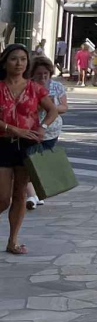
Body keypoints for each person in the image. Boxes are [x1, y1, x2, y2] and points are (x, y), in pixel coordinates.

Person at [0, 44, 59, 255]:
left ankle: (13, 241)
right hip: (2, 144)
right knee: (2, 198)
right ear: (5, 62)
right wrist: (13, 128)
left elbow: (52, 110)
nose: (19, 63)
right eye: (14, 59)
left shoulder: (35, 88)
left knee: (20, 195)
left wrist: (42, 128)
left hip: (27, 146)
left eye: (23, 60)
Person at [23, 57, 66, 211]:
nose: (43, 77)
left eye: (46, 74)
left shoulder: (57, 87)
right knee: (28, 161)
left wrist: (49, 106)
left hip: (51, 130)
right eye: (39, 74)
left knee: (41, 162)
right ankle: (32, 196)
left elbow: (64, 107)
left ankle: (37, 192)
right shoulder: (27, 86)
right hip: (30, 128)